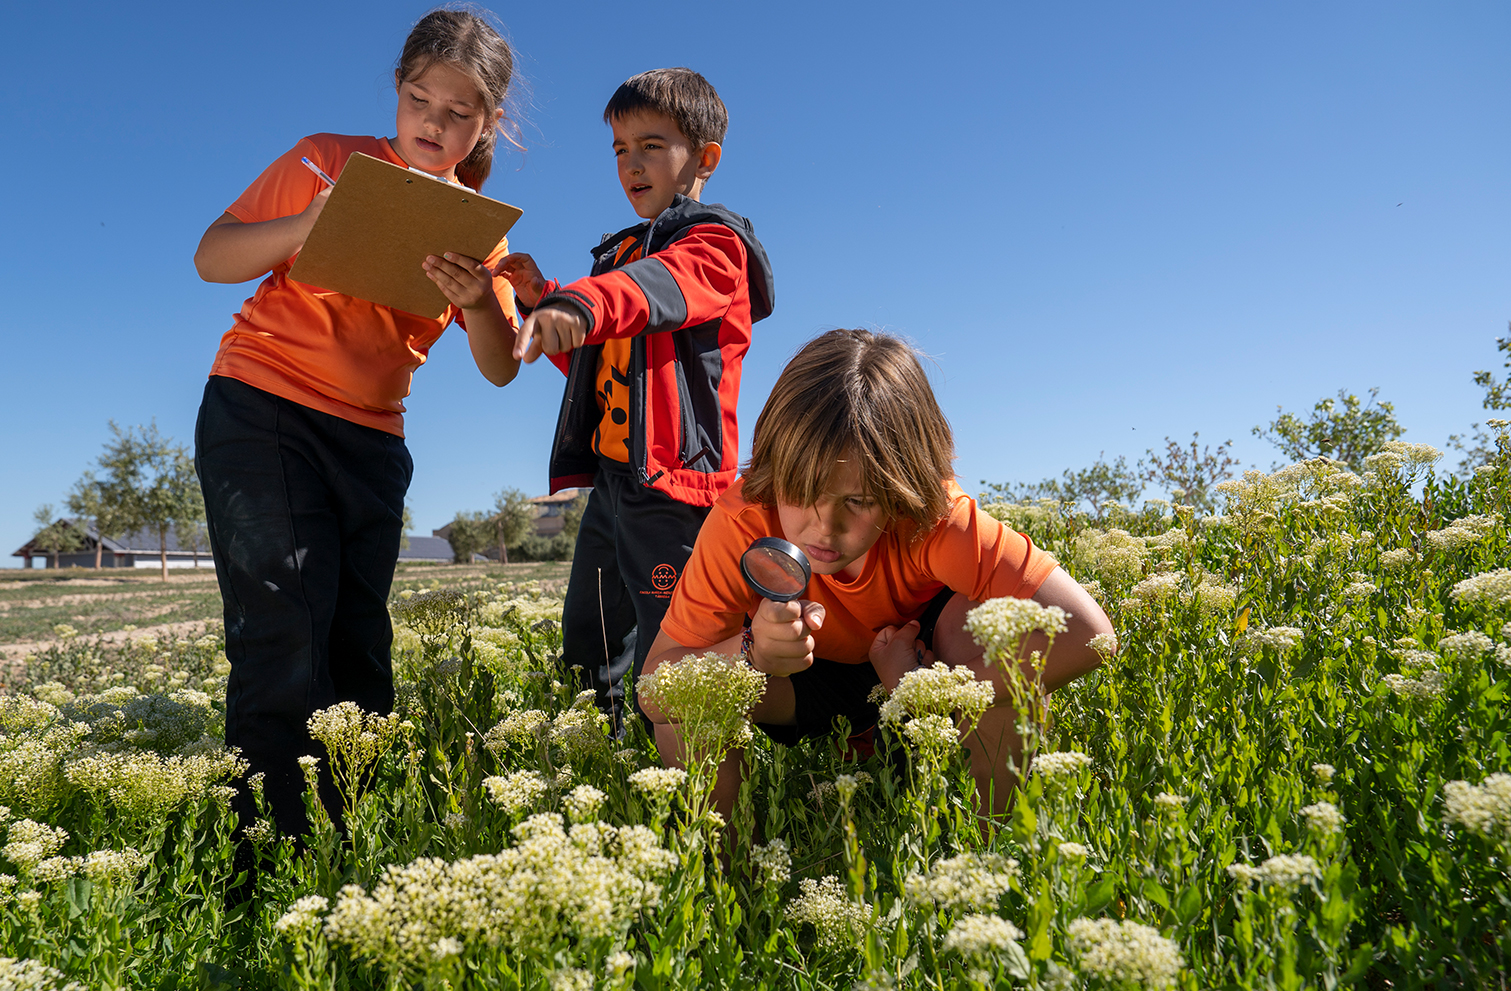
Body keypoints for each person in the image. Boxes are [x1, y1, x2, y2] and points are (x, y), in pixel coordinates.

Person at [192, 8, 522, 840]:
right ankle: (261, 856)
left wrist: (480, 299)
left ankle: (348, 841)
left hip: (373, 442)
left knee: (356, 645)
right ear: (397, 91)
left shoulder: (478, 233)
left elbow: (500, 362)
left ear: (488, 125)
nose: (433, 125)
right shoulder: (330, 160)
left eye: (457, 115)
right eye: (419, 101)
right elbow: (212, 256)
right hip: (261, 408)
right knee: (284, 628)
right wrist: (311, 224)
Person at [640, 329, 1115, 821]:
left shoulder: (936, 518)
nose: (824, 527)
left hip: (917, 656)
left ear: (903, 483)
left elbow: (1090, 634)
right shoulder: (742, 519)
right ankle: (730, 880)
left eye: (859, 501)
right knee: (687, 703)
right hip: (802, 674)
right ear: (773, 466)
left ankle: (989, 846)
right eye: (802, 492)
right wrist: (752, 653)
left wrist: (919, 690)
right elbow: (653, 692)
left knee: (990, 633)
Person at [498, 68, 775, 725]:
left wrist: (579, 302)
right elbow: (597, 361)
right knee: (590, 638)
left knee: (674, 644)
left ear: (704, 157)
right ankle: (608, 758)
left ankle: (695, 774)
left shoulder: (714, 245)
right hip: (614, 486)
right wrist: (546, 303)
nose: (630, 163)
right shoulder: (621, 257)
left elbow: (657, 289)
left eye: (650, 145)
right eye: (619, 149)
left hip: (675, 492)